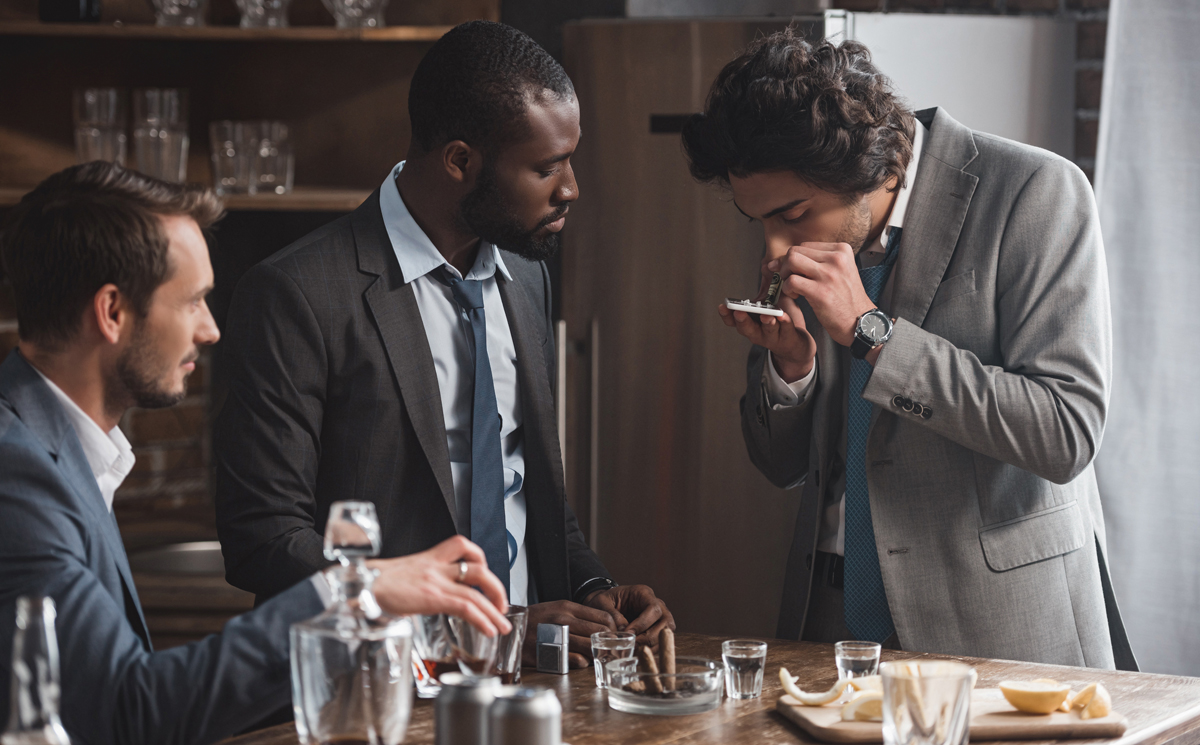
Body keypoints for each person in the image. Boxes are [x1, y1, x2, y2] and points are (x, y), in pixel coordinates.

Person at [213, 20, 673, 669]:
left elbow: (527, 491)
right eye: (546, 166)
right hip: (368, 688)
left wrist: (595, 591)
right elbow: (263, 539)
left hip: (530, 687)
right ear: (459, 160)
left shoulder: (526, 278)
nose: (570, 188)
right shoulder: (296, 293)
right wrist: (483, 627)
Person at [0, 162, 511, 745]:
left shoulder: (53, 452)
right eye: (192, 301)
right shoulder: (17, 476)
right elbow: (129, 710)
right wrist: (356, 590)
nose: (210, 329)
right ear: (112, 312)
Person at [682, 31, 1136, 670]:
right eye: (760, 221)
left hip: (996, 630)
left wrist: (873, 334)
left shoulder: (1037, 191)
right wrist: (793, 369)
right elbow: (781, 467)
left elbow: (1064, 433)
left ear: (872, 169)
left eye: (791, 214)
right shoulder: (800, 215)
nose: (775, 247)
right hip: (829, 625)